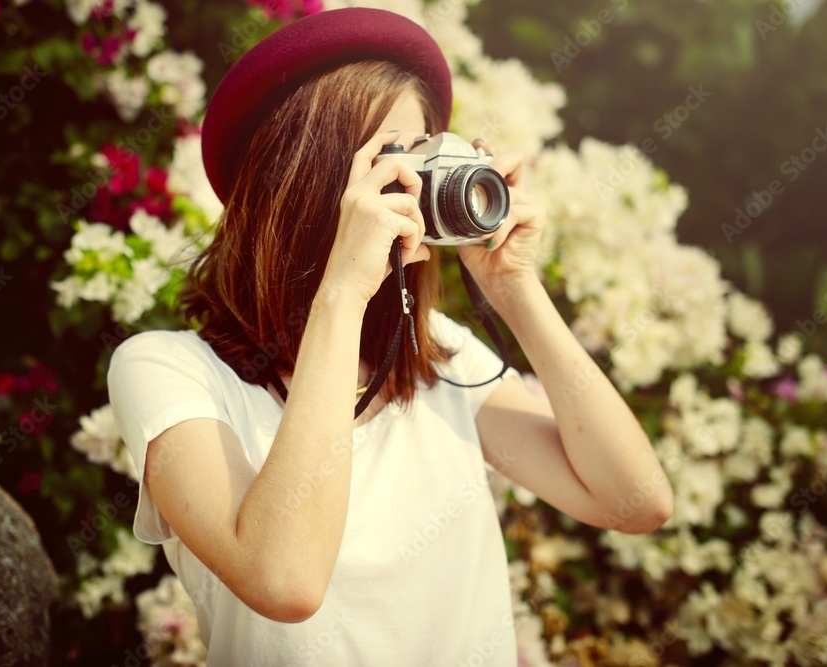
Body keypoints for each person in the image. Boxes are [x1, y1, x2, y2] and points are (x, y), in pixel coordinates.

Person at [107, 7, 673, 666]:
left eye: (422, 153)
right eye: (387, 158)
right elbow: (284, 581)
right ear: (300, 176)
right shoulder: (167, 370)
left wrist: (515, 289)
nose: (410, 182)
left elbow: (636, 501)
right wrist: (341, 294)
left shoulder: (439, 356)